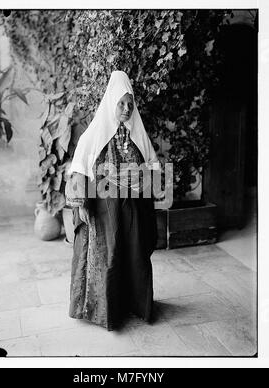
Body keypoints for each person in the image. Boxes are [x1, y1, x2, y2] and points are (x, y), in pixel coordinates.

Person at [65, 70, 161, 331]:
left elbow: (152, 163)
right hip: (104, 210)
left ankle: (134, 304)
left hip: (132, 207)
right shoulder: (93, 134)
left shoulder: (138, 133)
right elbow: (80, 168)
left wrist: (147, 180)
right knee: (108, 256)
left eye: (130, 103)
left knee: (133, 253)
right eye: (121, 103)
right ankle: (105, 310)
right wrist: (82, 203)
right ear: (111, 103)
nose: (127, 108)